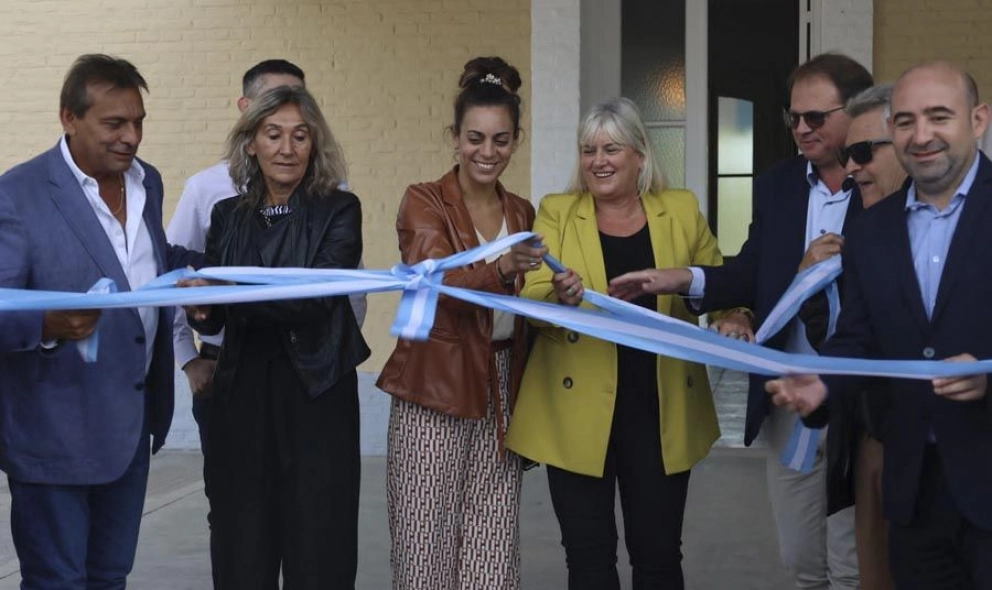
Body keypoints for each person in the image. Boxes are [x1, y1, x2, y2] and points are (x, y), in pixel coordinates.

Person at [609, 53, 873, 590]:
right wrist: (682, 279)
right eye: (792, 116)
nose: (801, 128)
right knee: (802, 560)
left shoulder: (888, 185)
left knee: (855, 564)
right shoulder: (778, 185)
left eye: (816, 118)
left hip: (863, 400)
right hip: (786, 399)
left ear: (860, 111)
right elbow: (751, 270)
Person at [768, 61, 992, 590]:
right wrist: (822, 381)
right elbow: (859, 339)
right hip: (912, 487)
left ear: (978, 120)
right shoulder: (871, 231)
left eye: (940, 117)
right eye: (906, 121)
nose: (922, 135)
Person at [505, 97, 724, 590]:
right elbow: (532, 291)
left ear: (640, 156)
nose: (598, 161)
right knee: (588, 560)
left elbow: (714, 280)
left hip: (660, 409)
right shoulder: (557, 211)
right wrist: (560, 297)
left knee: (660, 557)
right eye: (588, 150)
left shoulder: (682, 208)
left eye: (611, 148)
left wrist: (736, 316)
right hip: (576, 411)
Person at [0, 54, 200, 589]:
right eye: (114, 124)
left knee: (110, 577)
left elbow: (146, 259)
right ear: (69, 117)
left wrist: (198, 276)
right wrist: (47, 325)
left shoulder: (146, 183)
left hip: (131, 428)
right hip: (52, 435)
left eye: (138, 122)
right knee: (57, 581)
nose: (130, 136)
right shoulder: (17, 195)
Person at [166, 58, 367, 584]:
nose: (287, 148)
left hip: (319, 393)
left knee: (318, 543)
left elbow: (314, 300)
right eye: (273, 134)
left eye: (300, 136)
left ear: (314, 143)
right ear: (250, 140)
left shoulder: (340, 210)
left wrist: (224, 293)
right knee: (241, 542)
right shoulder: (226, 214)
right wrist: (199, 308)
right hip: (242, 393)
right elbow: (211, 321)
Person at [376, 56, 545, 590]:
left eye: (501, 140)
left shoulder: (522, 211)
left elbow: (526, 301)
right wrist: (500, 269)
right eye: (475, 138)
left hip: (500, 385)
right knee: (424, 549)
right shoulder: (423, 201)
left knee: (493, 550)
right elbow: (437, 285)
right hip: (435, 383)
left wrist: (556, 291)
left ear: (517, 140)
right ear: (454, 137)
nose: (487, 153)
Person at [805, 83, 904, 590]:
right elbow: (846, 333)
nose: (850, 169)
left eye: (864, 153)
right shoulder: (863, 231)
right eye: (848, 155)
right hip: (872, 432)